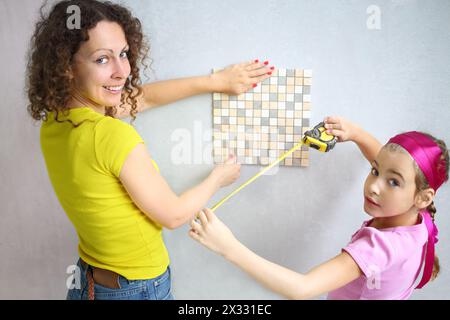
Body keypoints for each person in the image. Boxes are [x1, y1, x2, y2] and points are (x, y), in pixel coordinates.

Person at [26, 0, 274, 300]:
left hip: (88, 280)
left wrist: (216, 82)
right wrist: (218, 178)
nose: (122, 71)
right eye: (102, 59)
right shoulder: (111, 134)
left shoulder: (56, 122)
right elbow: (172, 216)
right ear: (66, 67)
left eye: (123, 54)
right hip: (135, 288)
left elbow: (143, 100)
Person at [189, 116, 448, 299]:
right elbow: (390, 162)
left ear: (423, 197)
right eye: (374, 171)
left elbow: (302, 289)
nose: (373, 187)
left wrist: (228, 247)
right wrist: (356, 134)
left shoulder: (377, 249)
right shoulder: (419, 213)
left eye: (392, 182)